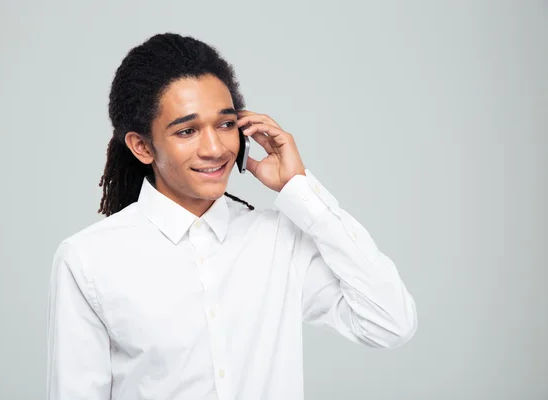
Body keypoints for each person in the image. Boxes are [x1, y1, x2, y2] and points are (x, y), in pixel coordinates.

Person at [47, 32, 417, 400]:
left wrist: (300, 190)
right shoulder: (89, 260)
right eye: (188, 130)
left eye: (225, 124)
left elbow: (390, 323)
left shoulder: (278, 241)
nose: (216, 148)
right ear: (142, 146)